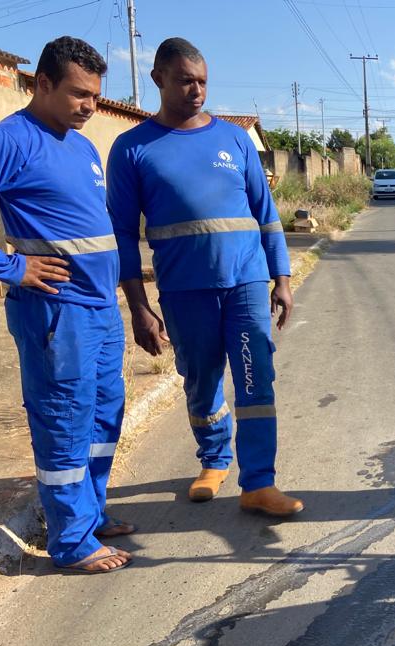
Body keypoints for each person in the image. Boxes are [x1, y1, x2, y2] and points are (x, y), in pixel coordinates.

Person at [107, 38, 302, 517]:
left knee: (256, 381)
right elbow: (122, 236)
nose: (197, 91)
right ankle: (214, 460)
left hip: (245, 285)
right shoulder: (132, 149)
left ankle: (258, 482)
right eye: (185, 81)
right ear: (158, 79)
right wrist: (138, 307)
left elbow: (266, 214)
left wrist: (281, 276)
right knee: (201, 379)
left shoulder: (234, 139)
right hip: (183, 290)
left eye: (203, 82)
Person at [0, 38, 133, 573]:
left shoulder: (81, 145)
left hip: (100, 308)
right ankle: (71, 542)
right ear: (42, 84)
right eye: (78, 94)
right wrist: (13, 267)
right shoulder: (11, 141)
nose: (90, 107)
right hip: (56, 312)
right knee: (64, 420)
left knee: (103, 415)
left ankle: (90, 514)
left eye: (96, 96)